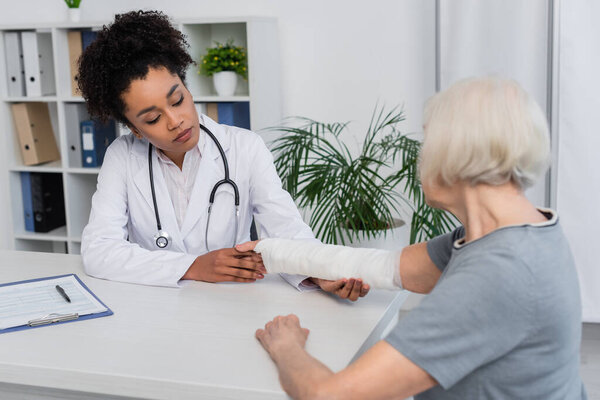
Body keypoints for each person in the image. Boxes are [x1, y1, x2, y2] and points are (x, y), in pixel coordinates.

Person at [239, 77, 587, 399]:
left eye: (428, 142)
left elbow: (329, 395)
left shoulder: (498, 273)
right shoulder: (513, 232)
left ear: (455, 153)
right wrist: (271, 253)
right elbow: (387, 266)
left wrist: (286, 346)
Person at [78, 10, 368, 300]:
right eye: (153, 119)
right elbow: (99, 250)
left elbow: (285, 229)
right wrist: (193, 266)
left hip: (233, 302)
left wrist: (319, 271)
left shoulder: (245, 147)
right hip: (157, 306)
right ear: (134, 129)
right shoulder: (122, 157)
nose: (175, 120)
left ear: (186, 87)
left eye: (177, 100)